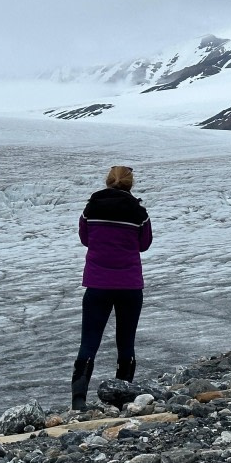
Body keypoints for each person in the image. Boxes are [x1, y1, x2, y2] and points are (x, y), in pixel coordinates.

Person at [71, 165, 152, 410]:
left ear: (108, 181)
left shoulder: (91, 208)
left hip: (97, 283)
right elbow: (144, 244)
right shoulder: (139, 212)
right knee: (125, 341)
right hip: (129, 285)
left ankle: (78, 400)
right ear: (130, 184)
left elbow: (85, 239)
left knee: (89, 341)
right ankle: (122, 397)